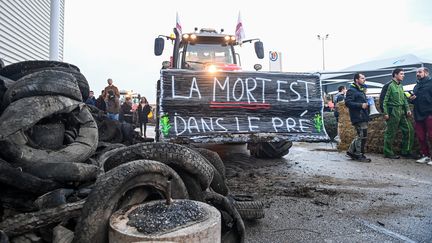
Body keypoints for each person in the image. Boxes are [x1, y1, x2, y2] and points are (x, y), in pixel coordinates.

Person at [382, 68, 415, 159]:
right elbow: (383, 100)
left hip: (402, 111)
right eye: (401, 74)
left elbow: (404, 99)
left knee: (409, 130)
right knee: (390, 133)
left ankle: (406, 151)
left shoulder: (400, 86)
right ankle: (388, 152)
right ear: (395, 75)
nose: (403, 75)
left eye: (403, 74)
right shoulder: (388, 85)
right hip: (393, 111)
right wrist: (385, 113)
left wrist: (407, 109)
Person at [345, 73, 371, 162]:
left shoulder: (361, 90)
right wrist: (361, 105)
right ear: (356, 80)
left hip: (363, 115)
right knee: (362, 135)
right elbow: (347, 103)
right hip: (357, 116)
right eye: (362, 78)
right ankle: (359, 155)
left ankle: (351, 151)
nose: (364, 79)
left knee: (361, 135)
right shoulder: (351, 90)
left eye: (364, 78)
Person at [410, 67, 432, 164]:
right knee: (421, 136)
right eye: (416, 72)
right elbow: (414, 100)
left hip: (429, 113)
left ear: (426, 73)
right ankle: (426, 155)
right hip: (418, 114)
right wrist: (411, 99)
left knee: (431, 135)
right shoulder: (416, 86)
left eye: (420, 72)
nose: (417, 74)